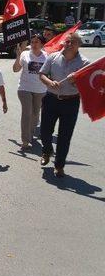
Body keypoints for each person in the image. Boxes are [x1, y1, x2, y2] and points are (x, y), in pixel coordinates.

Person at [39, 32, 89, 177]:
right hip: (51, 99)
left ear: (78, 45)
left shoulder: (84, 63)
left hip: (71, 102)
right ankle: (47, 151)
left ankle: (59, 165)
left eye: (72, 42)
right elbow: (42, 74)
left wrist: (76, 81)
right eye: (67, 41)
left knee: (65, 136)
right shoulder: (53, 57)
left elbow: (87, 86)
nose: (68, 44)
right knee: (44, 131)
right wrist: (49, 82)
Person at [13, 35, 48, 149]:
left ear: (42, 44)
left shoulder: (47, 57)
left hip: (41, 90)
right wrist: (18, 56)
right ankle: (25, 140)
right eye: (32, 42)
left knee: (35, 114)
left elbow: (50, 73)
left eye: (36, 42)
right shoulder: (25, 54)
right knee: (27, 113)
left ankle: (30, 132)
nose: (34, 44)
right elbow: (16, 69)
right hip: (24, 88)